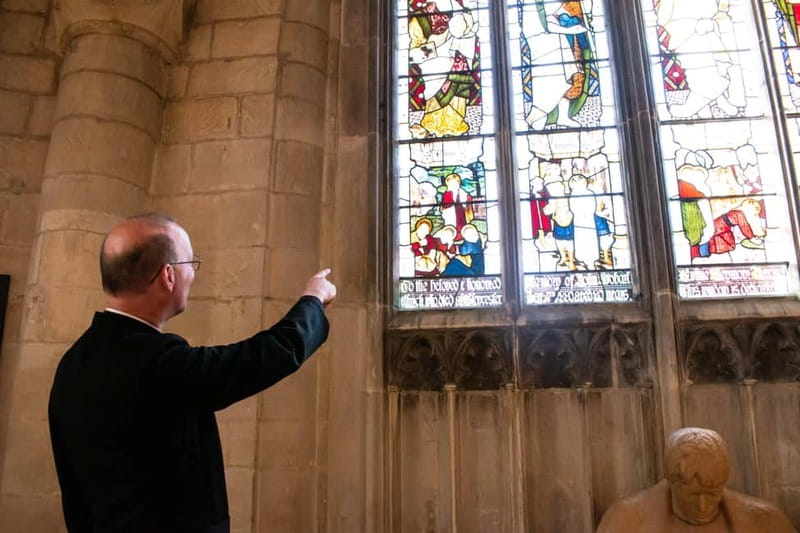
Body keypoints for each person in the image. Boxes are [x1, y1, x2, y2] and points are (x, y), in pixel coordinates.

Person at [48, 213, 336, 533]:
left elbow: (74, 495)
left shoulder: (72, 363)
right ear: (168, 276)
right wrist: (313, 299)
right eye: (191, 264)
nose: (193, 276)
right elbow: (263, 357)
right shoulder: (158, 363)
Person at [597, 427, 796, 532]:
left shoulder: (766, 521)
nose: (703, 506)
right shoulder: (625, 522)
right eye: (692, 495)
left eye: (712, 494)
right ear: (671, 482)